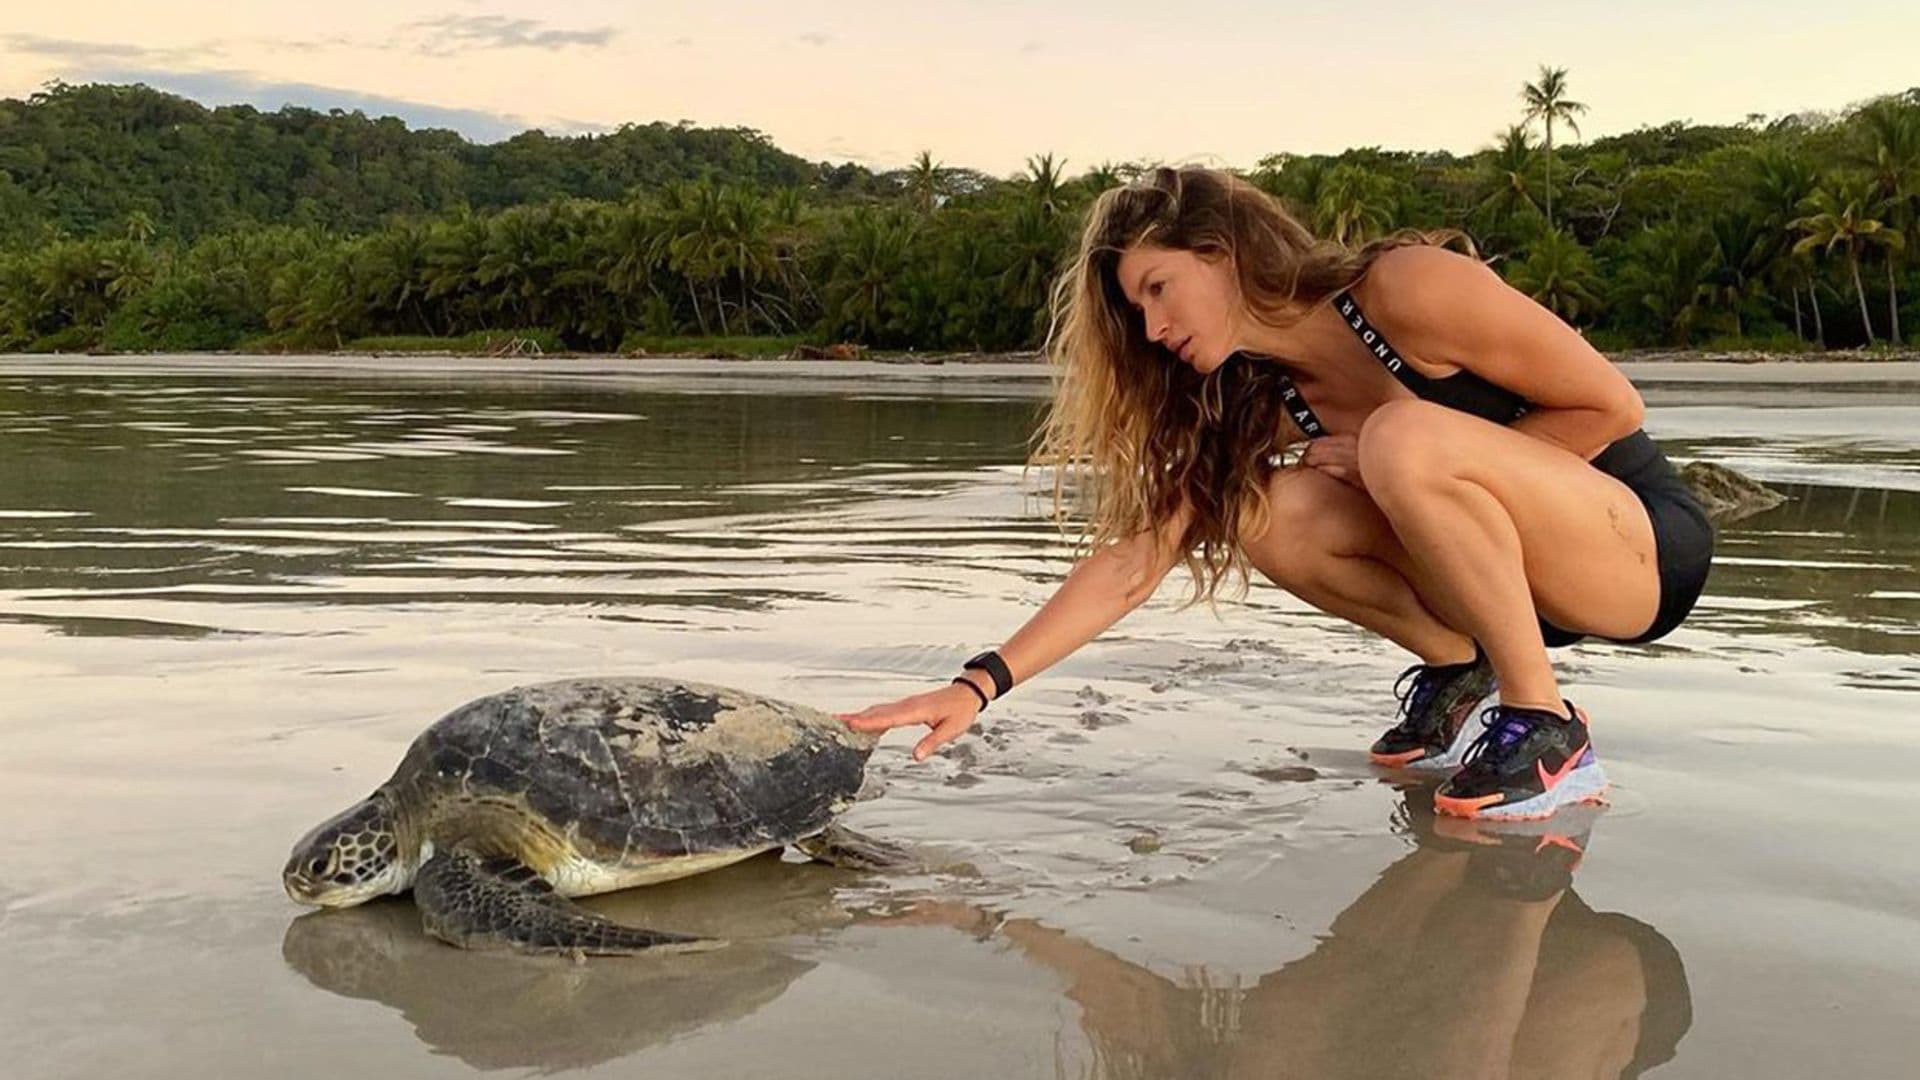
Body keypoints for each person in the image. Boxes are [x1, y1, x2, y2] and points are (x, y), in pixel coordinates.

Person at [837, 165, 1713, 821]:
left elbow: (1609, 405)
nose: (1153, 328)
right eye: (1136, 312)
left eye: (1158, 290)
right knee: (1260, 507)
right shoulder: (1258, 399)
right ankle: (1461, 662)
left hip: (1630, 548)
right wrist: (978, 684)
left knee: (1400, 437)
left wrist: (1393, 464)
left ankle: (1546, 726)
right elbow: (1137, 559)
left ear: (1220, 255)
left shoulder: (1407, 289)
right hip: (1495, 584)